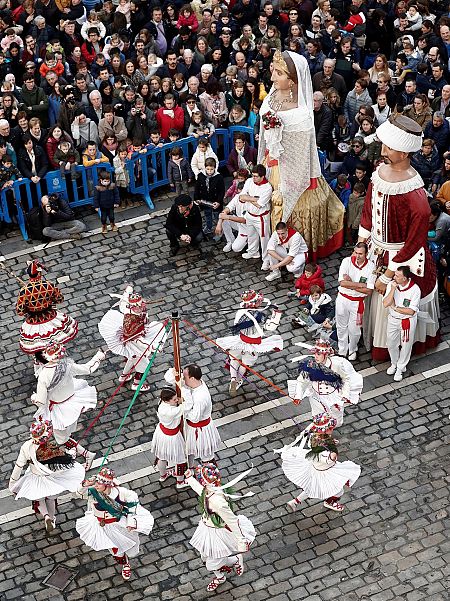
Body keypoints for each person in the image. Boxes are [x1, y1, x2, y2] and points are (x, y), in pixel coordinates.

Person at [358, 115, 439, 360]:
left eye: (389, 147)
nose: (383, 149)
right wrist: (362, 242)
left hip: (402, 259)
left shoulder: (415, 196)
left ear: (404, 153)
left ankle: (398, 350)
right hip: (377, 248)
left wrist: (389, 274)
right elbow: (369, 210)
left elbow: (415, 241)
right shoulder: (379, 173)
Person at [258, 50, 344, 259]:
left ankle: (293, 250)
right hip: (271, 162)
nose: (272, 78)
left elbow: (302, 152)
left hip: (293, 169)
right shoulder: (272, 94)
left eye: (278, 73)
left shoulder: (302, 114)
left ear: (293, 80)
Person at [184, 463, 256, 592]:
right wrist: (190, 479)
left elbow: (232, 521)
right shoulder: (210, 489)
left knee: (212, 563)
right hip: (207, 528)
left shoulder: (218, 502)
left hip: (217, 533)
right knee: (205, 557)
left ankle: (222, 574)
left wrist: (241, 540)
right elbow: (201, 491)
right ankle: (231, 563)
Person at [31, 341, 104, 468]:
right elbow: (88, 369)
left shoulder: (44, 376)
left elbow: (40, 401)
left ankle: (86, 454)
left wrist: (33, 397)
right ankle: (74, 450)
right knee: (67, 430)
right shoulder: (67, 365)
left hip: (59, 409)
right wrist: (99, 356)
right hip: (73, 401)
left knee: (62, 438)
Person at [9, 417, 85, 534]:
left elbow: (19, 466)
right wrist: (72, 452)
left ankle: (46, 517)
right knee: (50, 499)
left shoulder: (26, 447)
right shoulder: (49, 449)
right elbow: (65, 459)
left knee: (39, 499)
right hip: (51, 478)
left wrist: (13, 483)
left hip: (34, 477)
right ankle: (52, 518)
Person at [76, 467, 154, 581]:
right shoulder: (93, 493)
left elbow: (133, 505)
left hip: (118, 524)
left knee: (128, 547)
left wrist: (131, 522)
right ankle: (125, 564)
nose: (96, 485)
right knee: (115, 550)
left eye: (99, 483)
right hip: (101, 526)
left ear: (107, 485)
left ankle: (126, 560)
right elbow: (79, 494)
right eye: (96, 483)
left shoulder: (120, 493)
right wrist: (85, 484)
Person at [274, 412, 360, 513]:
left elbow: (322, 444)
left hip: (315, 468)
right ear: (326, 430)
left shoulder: (315, 436)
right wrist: (331, 457)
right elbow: (325, 459)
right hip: (325, 471)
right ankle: (329, 503)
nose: (332, 429)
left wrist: (331, 442)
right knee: (339, 491)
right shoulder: (321, 449)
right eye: (331, 428)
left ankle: (295, 502)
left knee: (311, 488)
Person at [98, 285, 168, 392]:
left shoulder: (135, 308)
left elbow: (125, 299)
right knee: (142, 362)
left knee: (132, 359)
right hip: (135, 342)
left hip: (142, 333)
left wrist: (128, 291)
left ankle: (124, 376)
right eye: (137, 307)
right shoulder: (131, 320)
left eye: (141, 305)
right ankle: (137, 383)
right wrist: (152, 347)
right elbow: (136, 340)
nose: (140, 308)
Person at [216, 290, 283, 396]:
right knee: (245, 364)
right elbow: (270, 327)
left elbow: (236, 325)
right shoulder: (259, 316)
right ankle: (238, 380)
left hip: (240, 341)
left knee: (234, 359)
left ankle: (233, 379)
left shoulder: (241, 312)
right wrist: (277, 315)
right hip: (253, 344)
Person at [288, 339, 363, 427]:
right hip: (317, 398)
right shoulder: (310, 366)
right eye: (315, 354)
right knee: (319, 422)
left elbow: (345, 380)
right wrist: (298, 396)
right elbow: (301, 381)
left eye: (319, 354)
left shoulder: (336, 365)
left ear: (326, 355)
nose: (316, 357)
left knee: (336, 422)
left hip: (333, 397)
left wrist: (345, 394)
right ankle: (322, 439)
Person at [15, 260, 78, 357]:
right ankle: (57, 358)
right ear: (39, 273)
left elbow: (20, 311)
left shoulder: (24, 291)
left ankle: (43, 363)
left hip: (34, 322)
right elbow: (59, 299)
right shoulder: (49, 285)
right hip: (51, 318)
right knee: (56, 343)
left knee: (39, 348)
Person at [164, 364, 221, 469]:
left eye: (184, 376)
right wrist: (174, 373)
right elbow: (169, 378)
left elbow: (195, 417)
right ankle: (189, 471)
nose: (182, 379)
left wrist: (181, 409)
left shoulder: (201, 397)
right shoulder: (193, 384)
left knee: (206, 455)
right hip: (190, 427)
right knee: (188, 451)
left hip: (201, 430)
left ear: (192, 378)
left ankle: (211, 477)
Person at [335, 243, 376, 360]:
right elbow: (342, 283)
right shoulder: (346, 262)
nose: (357, 256)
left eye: (361, 254)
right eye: (356, 253)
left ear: (366, 254)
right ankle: (342, 349)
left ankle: (353, 349)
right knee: (341, 326)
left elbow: (369, 291)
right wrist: (360, 285)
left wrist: (350, 283)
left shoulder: (371, 267)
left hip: (357, 303)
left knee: (355, 330)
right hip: (342, 299)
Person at [383, 266, 421, 381]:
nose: (394, 277)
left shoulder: (415, 289)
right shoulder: (391, 285)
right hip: (393, 319)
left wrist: (395, 308)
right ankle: (394, 363)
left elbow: (411, 311)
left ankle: (400, 367)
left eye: (397, 276)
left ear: (404, 278)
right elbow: (386, 303)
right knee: (391, 343)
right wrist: (393, 289)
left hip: (407, 321)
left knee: (406, 345)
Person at [151, 386, 188, 488]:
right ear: (166, 400)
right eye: (174, 399)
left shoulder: (161, 404)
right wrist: (183, 400)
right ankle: (180, 482)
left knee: (161, 457)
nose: (177, 400)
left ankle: (163, 475)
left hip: (161, 433)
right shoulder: (172, 411)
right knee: (180, 459)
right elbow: (186, 406)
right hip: (172, 436)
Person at [239, 164, 273, 268]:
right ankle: (253, 252)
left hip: (261, 218)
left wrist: (248, 198)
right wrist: (255, 198)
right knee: (251, 235)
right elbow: (241, 197)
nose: (253, 178)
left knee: (264, 239)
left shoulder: (267, 188)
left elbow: (260, 204)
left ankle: (266, 260)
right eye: (253, 175)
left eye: (256, 176)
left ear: (262, 176)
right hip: (249, 214)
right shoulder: (249, 181)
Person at [194, 157, 225, 235]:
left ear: (215, 168)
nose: (209, 171)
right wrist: (196, 198)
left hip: (215, 201)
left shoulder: (219, 177)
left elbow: (221, 191)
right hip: (205, 200)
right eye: (208, 169)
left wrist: (218, 201)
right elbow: (197, 188)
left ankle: (220, 229)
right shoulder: (201, 175)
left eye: (211, 169)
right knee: (207, 215)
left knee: (217, 216)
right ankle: (209, 227)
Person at [93, 170, 120, 234]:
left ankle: (112, 224)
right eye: (105, 181)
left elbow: (116, 194)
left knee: (112, 216)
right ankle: (104, 226)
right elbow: (96, 198)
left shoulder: (112, 186)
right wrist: (96, 206)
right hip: (103, 206)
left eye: (108, 181)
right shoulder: (98, 188)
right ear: (101, 180)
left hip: (111, 205)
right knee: (103, 218)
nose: (107, 183)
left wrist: (117, 202)